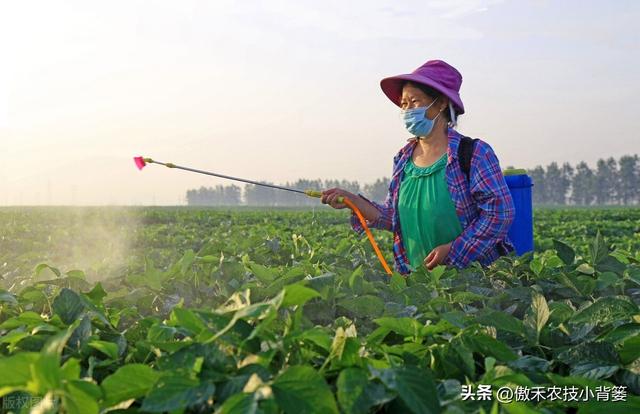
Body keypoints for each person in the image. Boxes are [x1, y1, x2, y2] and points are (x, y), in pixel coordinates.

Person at [321, 59, 515, 275]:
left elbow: (500, 214)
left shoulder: (473, 153)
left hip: (475, 281)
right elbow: (394, 218)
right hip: (417, 284)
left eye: (414, 102)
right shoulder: (403, 159)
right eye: (404, 104)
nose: (407, 110)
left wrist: (454, 252)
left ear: (440, 103)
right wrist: (353, 201)